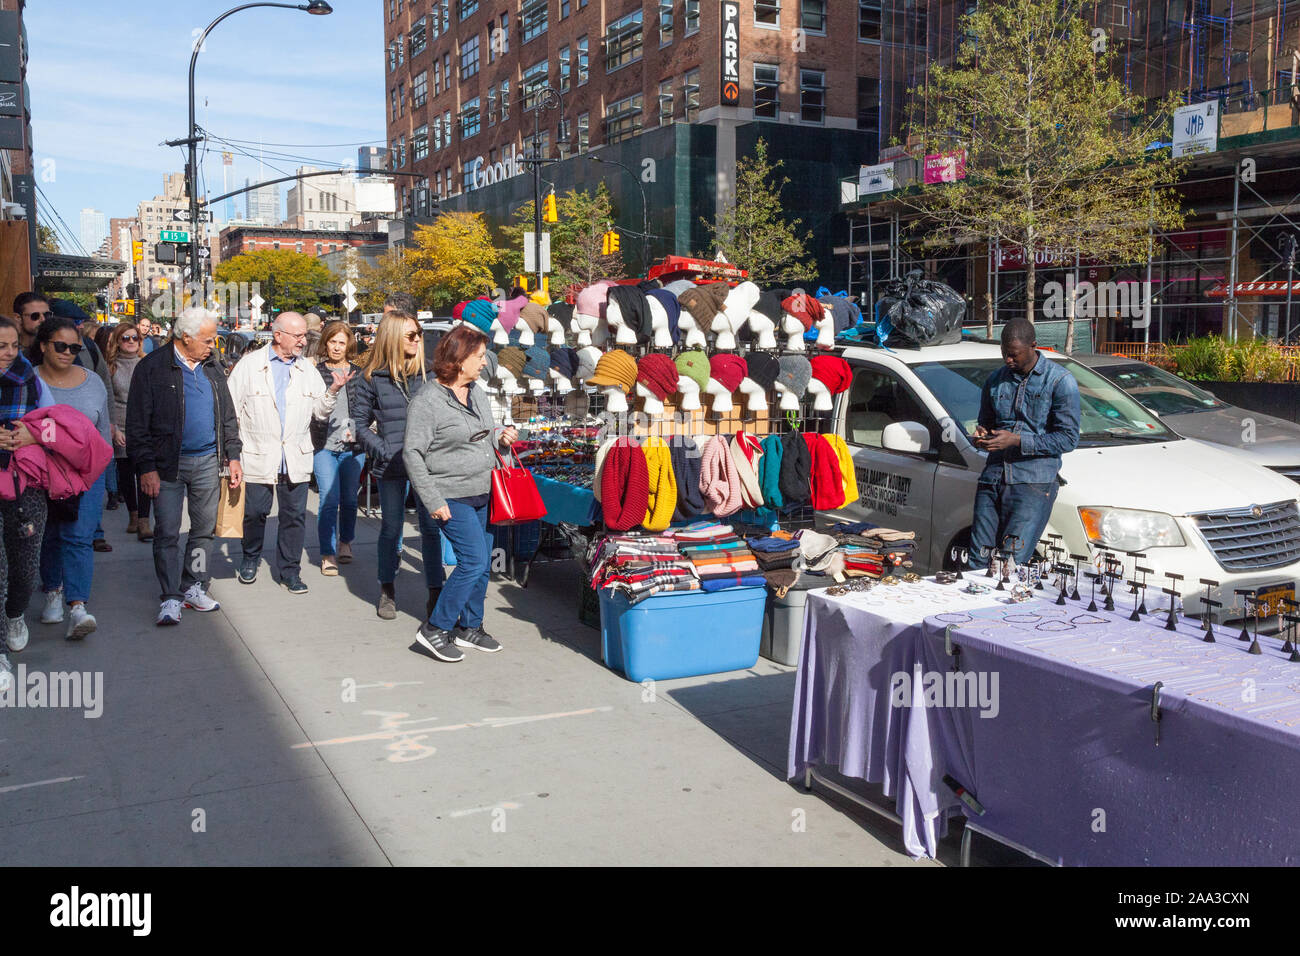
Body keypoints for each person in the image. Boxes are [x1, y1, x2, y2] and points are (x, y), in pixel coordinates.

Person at [403, 325, 517, 662]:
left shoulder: (476, 391)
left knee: (482, 566)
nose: (485, 363)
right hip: (449, 493)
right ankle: (435, 628)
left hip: (482, 490)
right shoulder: (427, 401)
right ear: (460, 359)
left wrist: (500, 437)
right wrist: (433, 501)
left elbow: (481, 434)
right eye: (480, 357)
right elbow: (413, 454)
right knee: (474, 561)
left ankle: (470, 627)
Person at [126, 307, 243, 626]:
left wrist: (233, 455)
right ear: (185, 337)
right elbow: (136, 425)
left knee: (204, 531)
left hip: (207, 461)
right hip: (166, 467)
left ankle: (193, 585)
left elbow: (228, 416)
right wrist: (146, 467)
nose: (213, 345)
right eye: (208, 340)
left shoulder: (213, 367)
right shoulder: (152, 368)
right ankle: (170, 596)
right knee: (166, 532)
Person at [226, 312, 348, 594]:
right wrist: (232, 452)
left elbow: (320, 411)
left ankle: (290, 571)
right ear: (278, 335)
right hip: (257, 454)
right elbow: (231, 410)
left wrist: (332, 391)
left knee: (294, 516)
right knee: (255, 512)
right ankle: (250, 558)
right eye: (298, 335)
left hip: (295, 455)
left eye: (305, 335)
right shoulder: (250, 365)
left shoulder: (307, 369)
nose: (303, 341)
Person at [350, 311, 444, 621]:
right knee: (391, 528)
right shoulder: (369, 378)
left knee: (431, 528)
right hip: (389, 464)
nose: (419, 339)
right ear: (392, 338)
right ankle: (387, 589)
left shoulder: (430, 376)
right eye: (411, 335)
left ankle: (435, 592)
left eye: (419, 333)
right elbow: (360, 426)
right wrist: (383, 449)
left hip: (427, 466)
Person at [970, 318, 1081, 569]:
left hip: (1032, 483)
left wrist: (1016, 441)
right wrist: (982, 436)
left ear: (1033, 346)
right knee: (978, 560)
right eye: (1004, 354)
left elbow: (1068, 438)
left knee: (1010, 563)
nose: (1008, 360)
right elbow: (985, 423)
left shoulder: (1060, 380)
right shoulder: (995, 379)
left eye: (1014, 355)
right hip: (993, 478)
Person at [31, 317, 111, 639]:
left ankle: (77, 607)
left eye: (75, 348)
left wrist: (104, 472)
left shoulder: (93, 381)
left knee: (79, 537)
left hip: (87, 475)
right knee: (50, 536)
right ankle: (52, 591)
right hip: (41, 473)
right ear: (43, 346)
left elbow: (103, 430)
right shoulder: (30, 381)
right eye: (60, 346)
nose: (68, 352)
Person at [0, 317, 52, 689]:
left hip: (25, 484)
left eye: (14, 345)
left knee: (23, 567)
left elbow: (56, 426)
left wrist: (30, 437)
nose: (9, 353)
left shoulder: (30, 379)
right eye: (2, 346)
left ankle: (15, 614)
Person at [311, 320, 363, 576]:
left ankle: (346, 542)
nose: (337, 347)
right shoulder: (315, 371)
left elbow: (367, 407)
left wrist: (363, 429)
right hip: (323, 446)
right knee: (329, 500)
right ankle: (327, 552)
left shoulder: (359, 372)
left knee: (350, 500)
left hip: (353, 448)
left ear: (349, 345)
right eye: (332, 341)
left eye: (342, 342)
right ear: (325, 343)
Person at [105, 322, 152, 542]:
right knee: (125, 473)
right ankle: (133, 514)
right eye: (126, 338)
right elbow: (108, 400)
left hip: (144, 427)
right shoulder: (110, 366)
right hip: (121, 426)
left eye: (134, 338)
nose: (131, 342)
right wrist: (114, 429)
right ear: (117, 341)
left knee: (145, 470)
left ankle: (144, 519)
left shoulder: (147, 363)